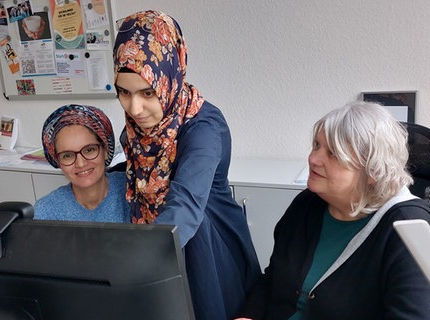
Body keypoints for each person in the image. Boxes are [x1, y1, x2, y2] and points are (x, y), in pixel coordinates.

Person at [112, 10, 261, 320]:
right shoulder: (140, 122)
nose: (134, 108)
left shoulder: (203, 126)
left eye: (147, 93)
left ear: (169, 76)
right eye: (124, 92)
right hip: (156, 241)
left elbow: (187, 199)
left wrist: (141, 258)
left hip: (203, 244)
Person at [238, 101, 430, 320]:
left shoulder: (406, 228)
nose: (313, 159)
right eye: (316, 145)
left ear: (372, 171)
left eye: (333, 154)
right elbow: (272, 279)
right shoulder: (307, 205)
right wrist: (249, 315)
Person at [34, 104, 130, 223]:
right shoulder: (47, 211)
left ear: (105, 150)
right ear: (58, 161)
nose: (80, 163)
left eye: (89, 150)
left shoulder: (133, 189)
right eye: (67, 155)